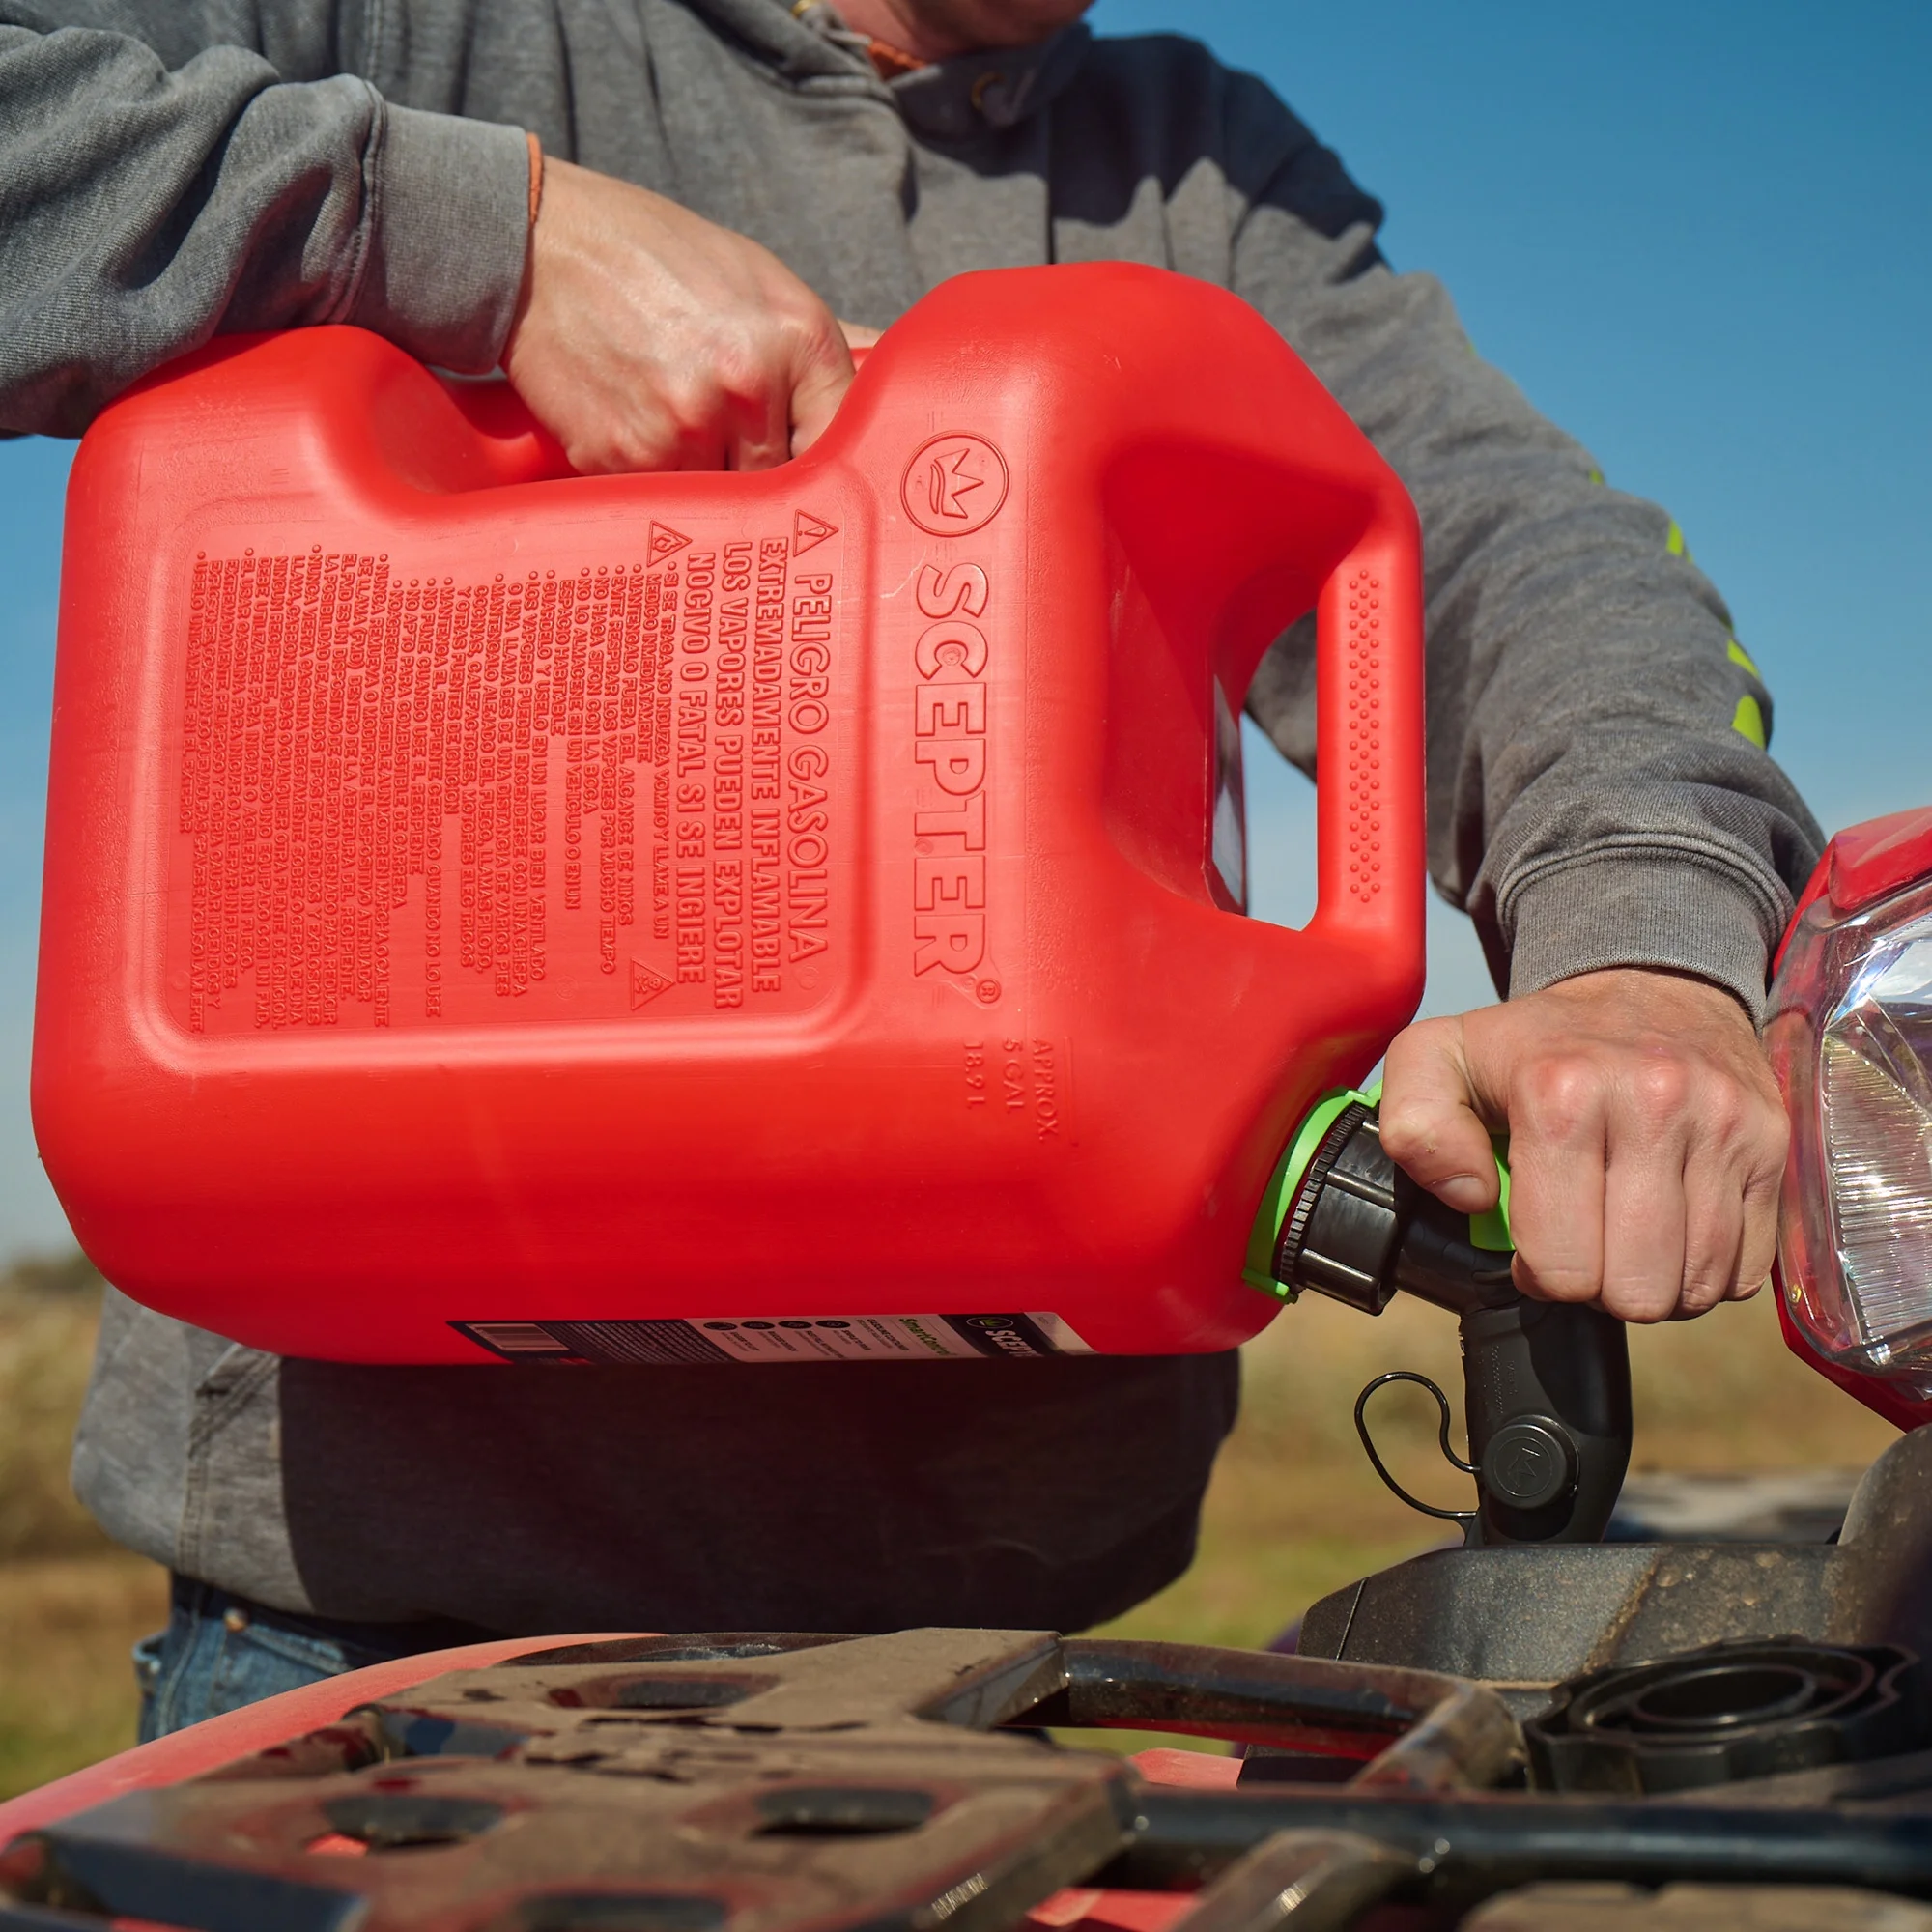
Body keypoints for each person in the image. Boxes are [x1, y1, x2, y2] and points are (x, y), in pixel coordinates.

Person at [1, 0, 1819, 1737]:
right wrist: (490, 237)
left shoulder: (1188, 167)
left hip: (995, 1677)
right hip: (357, 1656)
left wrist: (1644, 946)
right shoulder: (425, 33)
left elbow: (1519, 552)